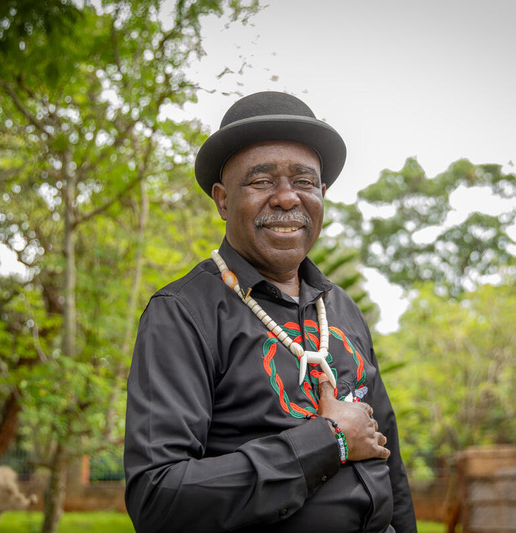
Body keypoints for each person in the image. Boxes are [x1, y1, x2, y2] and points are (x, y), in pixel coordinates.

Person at [124, 91, 417, 532]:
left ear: (322, 193)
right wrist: (328, 440)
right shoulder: (182, 313)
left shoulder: (341, 308)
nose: (286, 199)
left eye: (304, 181)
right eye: (262, 181)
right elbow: (157, 497)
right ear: (223, 201)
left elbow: (388, 459)